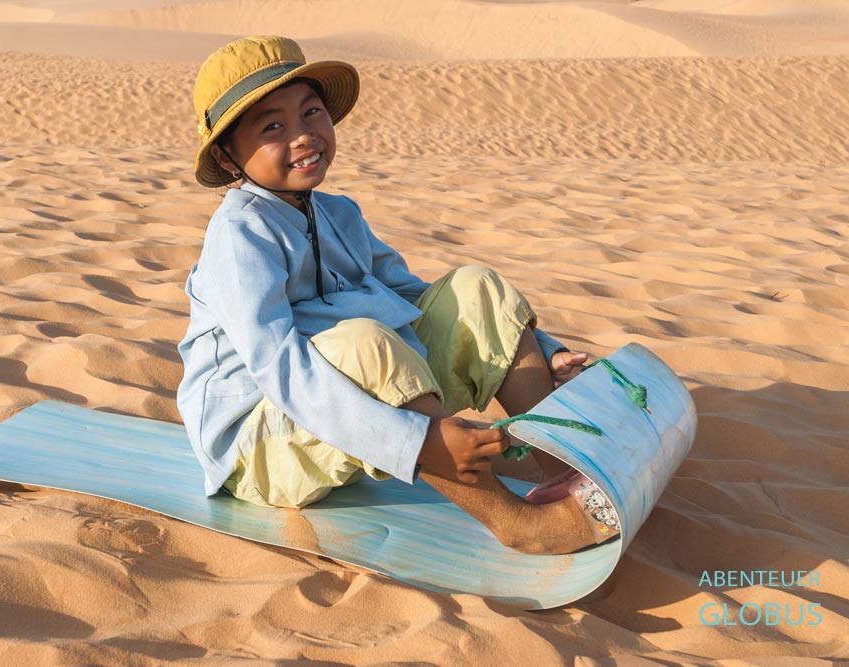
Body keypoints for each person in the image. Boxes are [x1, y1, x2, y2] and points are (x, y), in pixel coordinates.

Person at [176, 35, 619, 555]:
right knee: (366, 341)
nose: (303, 136)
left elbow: (412, 296)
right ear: (229, 156)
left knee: (477, 287)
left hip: (352, 411)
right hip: (261, 448)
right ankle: (516, 522)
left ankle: (567, 474)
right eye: (273, 126)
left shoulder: (338, 214)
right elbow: (279, 364)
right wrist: (420, 442)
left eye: (311, 112)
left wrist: (542, 350)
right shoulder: (239, 236)